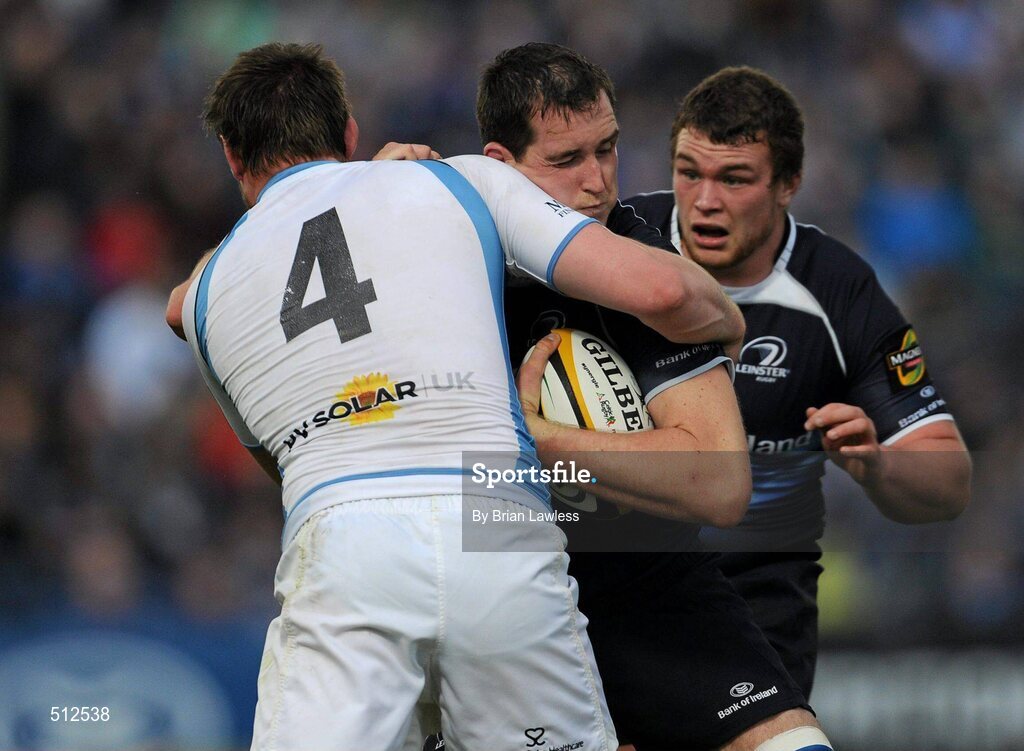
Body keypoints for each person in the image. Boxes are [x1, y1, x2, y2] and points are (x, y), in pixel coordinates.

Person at [168, 42, 746, 751]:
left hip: (343, 542)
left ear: (231, 155)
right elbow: (662, 290)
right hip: (494, 522)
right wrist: (729, 319)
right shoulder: (458, 182)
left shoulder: (202, 297)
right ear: (350, 131)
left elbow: (281, 464)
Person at [469, 43, 833, 751]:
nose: (598, 182)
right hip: (505, 587)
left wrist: (546, 445)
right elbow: (467, 490)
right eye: (566, 159)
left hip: (648, 576)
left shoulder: (637, 257)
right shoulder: (443, 247)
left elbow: (722, 482)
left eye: (607, 149)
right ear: (499, 164)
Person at [624, 66, 972, 698]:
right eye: (688, 172)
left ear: (788, 185)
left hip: (759, 627)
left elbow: (948, 481)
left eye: (734, 179)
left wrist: (874, 465)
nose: (705, 200)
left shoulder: (840, 290)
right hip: (613, 604)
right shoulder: (612, 248)